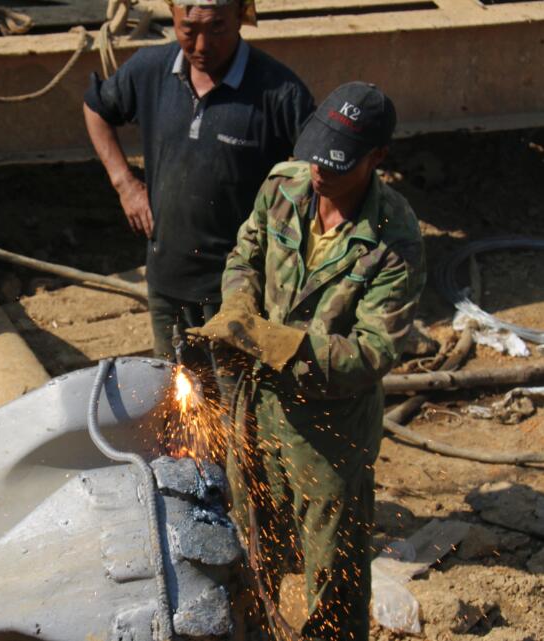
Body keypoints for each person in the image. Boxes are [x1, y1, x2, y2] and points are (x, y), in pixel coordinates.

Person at [190, 82, 426, 641]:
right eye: (316, 155)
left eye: (337, 164)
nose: (320, 172)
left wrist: (279, 343)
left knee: (332, 573)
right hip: (256, 409)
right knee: (252, 547)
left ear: (377, 157)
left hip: (329, 431)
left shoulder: (394, 240)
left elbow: (373, 351)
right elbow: (245, 254)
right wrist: (239, 306)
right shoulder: (285, 186)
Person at [82, 0, 314, 372]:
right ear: (173, 17)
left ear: (240, 17)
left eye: (217, 28)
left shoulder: (278, 91)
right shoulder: (151, 70)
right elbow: (96, 108)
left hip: (239, 293)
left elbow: (319, 172)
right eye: (188, 30)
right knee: (175, 388)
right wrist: (125, 183)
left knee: (236, 397)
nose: (202, 46)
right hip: (167, 281)